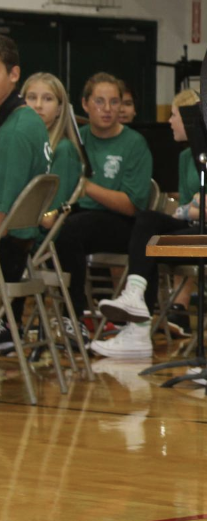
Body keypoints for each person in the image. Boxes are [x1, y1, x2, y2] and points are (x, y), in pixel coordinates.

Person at [89, 89, 206, 358]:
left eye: (174, 115)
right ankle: (136, 300)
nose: (169, 122)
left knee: (149, 231)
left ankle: (138, 320)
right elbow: (186, 208)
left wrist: (203, 207)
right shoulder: (183, 157)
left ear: (190, 120)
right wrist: (194, 208)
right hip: (192, 225)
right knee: (148, 227)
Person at [54, 73, 154, 343]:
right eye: (100, 101)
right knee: (49, 230)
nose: (108, 109)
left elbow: (133, 206)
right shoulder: (72, 141)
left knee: (70, 230)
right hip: (77, 217)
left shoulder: (134, 143)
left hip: (119, 224)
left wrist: (87, 187)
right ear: (85, 104)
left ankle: (73, 317)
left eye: (114, 102)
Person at [0, 37, 52, 352]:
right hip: (22, 246)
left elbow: (3, 216)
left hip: (8, 249)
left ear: (14, 73)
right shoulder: (27, 121)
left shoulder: (15, 131)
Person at [21, 72, 83, 218]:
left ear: (59, 109)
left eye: (47, 99)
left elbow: (52, 216)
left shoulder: (64, 149)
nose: (38, 105)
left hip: (32, 233)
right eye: (31, 97)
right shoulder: (18, 142)